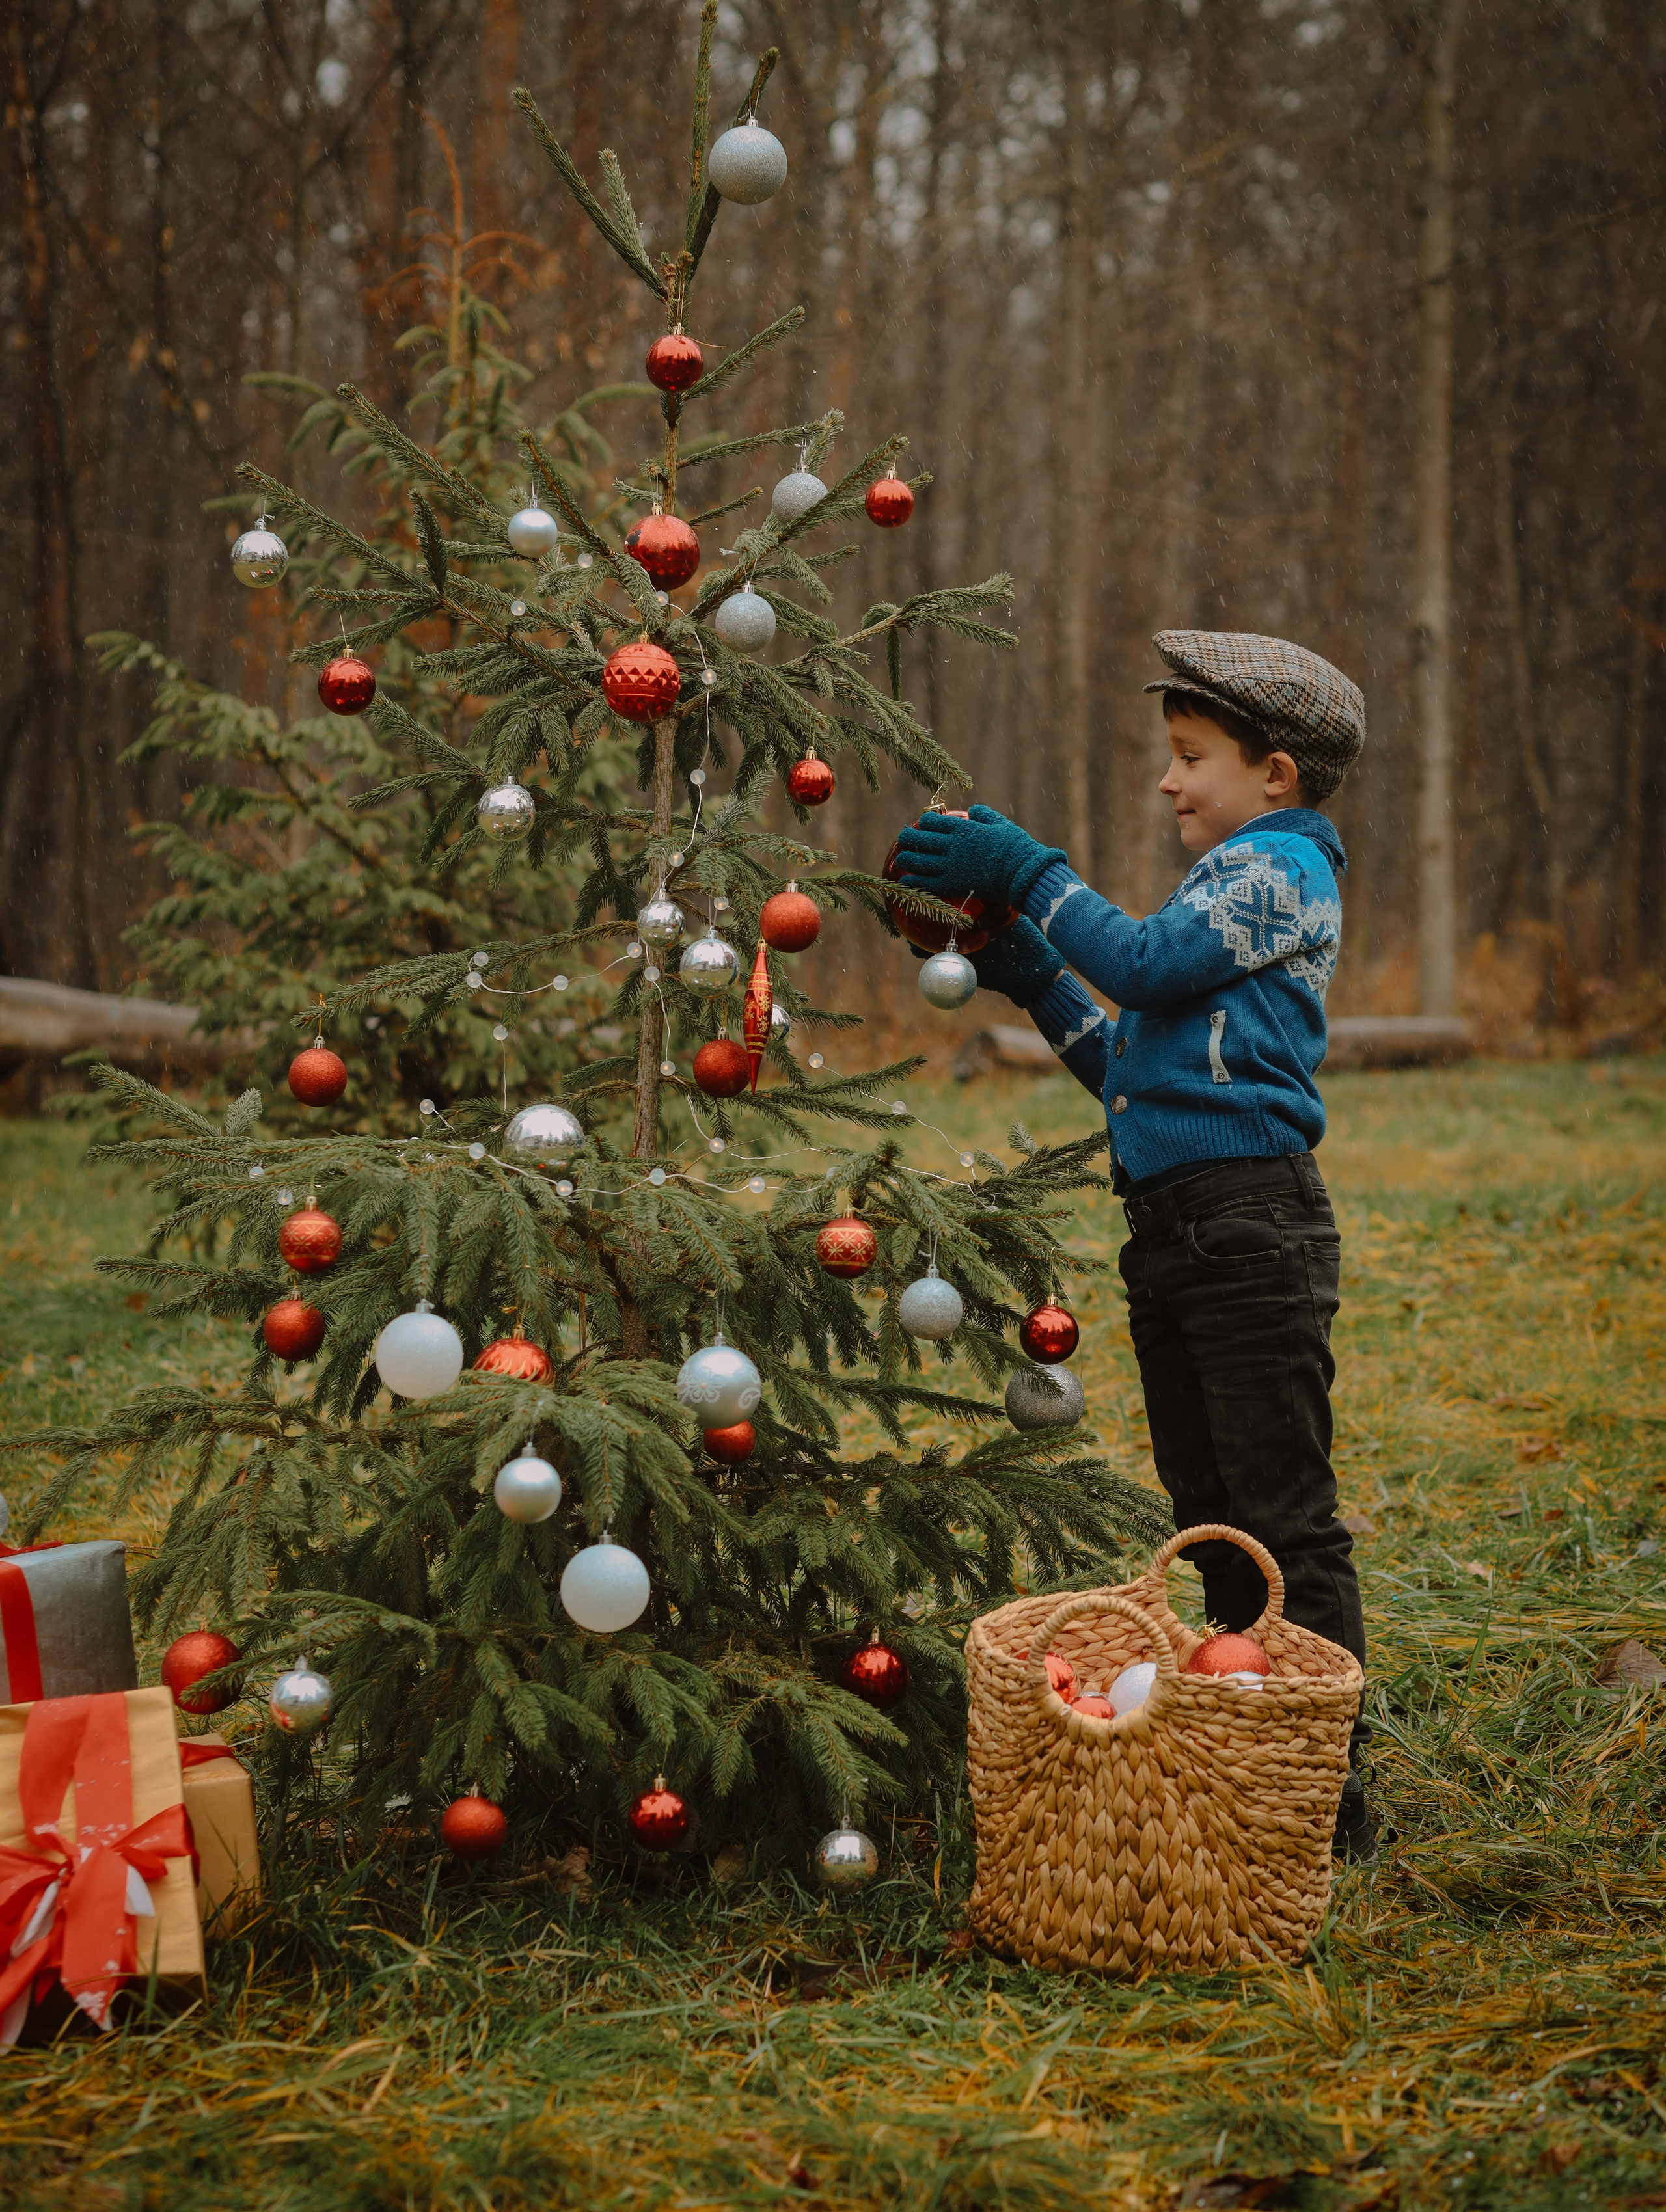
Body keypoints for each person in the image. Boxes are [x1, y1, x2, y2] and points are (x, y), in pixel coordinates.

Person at [894, 628, 1376, 1864]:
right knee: (1210, 1508)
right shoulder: (1229, 882)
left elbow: (1148, 966)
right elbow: (1128, 1065)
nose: (1169, 783)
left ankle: (1326, 1792)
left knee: (1283, 1514)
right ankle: (1238, 1731)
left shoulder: (1280, 868)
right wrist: (1027, 970)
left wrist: (1028, 868)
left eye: (1190, 758)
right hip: (1176, 1234)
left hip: (1251, 1227)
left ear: (1276, 771)